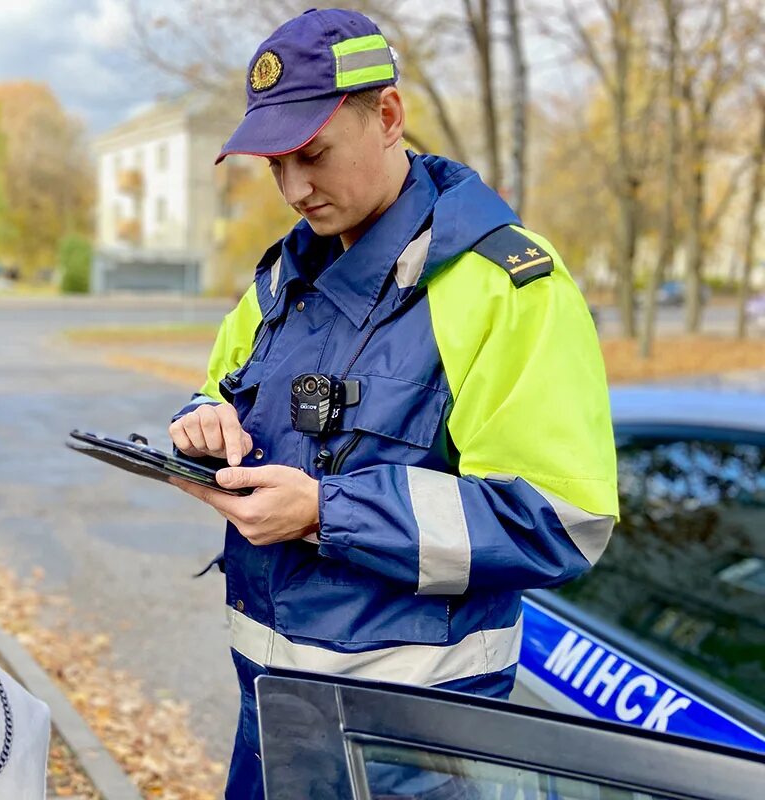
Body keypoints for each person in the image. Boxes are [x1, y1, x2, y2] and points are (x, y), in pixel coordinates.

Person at [167, 9, 619, 799]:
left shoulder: (504, 286)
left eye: (312, 155)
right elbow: (221, 391)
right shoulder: (280, 283)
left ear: (388, 116)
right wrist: (204, 428)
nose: (294, 188)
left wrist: (321, 512)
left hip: (421, 751)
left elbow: (560, 518)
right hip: (268, 721)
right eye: (275, 164)